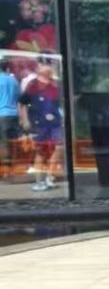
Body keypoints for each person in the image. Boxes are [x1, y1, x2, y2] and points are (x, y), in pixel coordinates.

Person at [24, 63, 64, 192]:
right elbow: (22, 102)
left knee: (58, 148)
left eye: (49, 71)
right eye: (46, 71)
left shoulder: (56, 85)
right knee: (40, 151)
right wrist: (25, 120)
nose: (49, 73)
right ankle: (39, 180)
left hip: (55, 122)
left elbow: (61, 102)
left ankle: (49, 177)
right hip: (39, 123)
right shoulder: (33, 85)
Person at [0, 59, 19, 180]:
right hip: (13, 114)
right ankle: (11, 170)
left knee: (2, 143)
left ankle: (5, 171)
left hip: (1, 114)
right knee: (12, 143)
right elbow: (18, 98)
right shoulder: (14, 80)